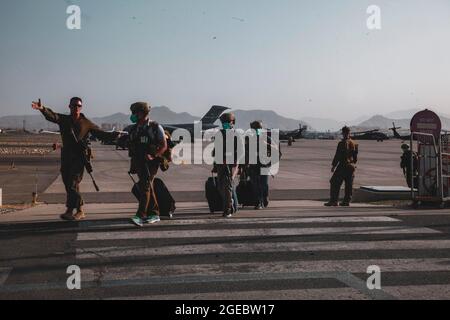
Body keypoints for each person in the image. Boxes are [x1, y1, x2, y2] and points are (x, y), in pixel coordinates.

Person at [31, 97, 120, 221]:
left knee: (73, 183)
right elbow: (53, 116)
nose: (76, 108)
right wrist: (42, 108)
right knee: (69, 184)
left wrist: (115, 135)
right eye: (74, 106)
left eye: (78, 106)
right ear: (69, 107)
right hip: (66, 156)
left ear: (81, 107)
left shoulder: (86, 123)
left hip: (79, 157)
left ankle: (79, 209)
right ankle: (71, 210)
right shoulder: (64, 120)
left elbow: (100, 134)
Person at [127, 102, 167, 227]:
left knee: (145, 186)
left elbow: (164, 145)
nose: (133, 115)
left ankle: (141, 215)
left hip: (151, 162)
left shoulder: (155, 127)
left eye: (135, 112)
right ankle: (154, 214)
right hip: (138, 161)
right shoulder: (135, 128)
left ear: (142, 113)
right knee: (147, 186)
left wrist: (154, 155)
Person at [213, 113, 239, 218]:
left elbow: (239, 152)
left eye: (226, 122)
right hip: (220, 164)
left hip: (231, 165)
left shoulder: (235, 135)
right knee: (220, 187)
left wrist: (234, 164)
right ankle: (232, 205)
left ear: (232, 122)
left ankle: (228, 209)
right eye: (223, 123)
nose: (224, 124)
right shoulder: (220, 134)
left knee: (228, 186)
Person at [325, 126, 358, 207]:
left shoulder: (342, 143)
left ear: (343, 133)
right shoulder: (354, 143)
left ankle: (334, 201)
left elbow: (338, 156)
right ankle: (346, 201)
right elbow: (355, 158)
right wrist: (352, 163)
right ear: (349, 133)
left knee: (334, 182)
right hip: (351, 167)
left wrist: (333, 166)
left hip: (343, 165)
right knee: (348, 184)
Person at [246, 121, 272, 210]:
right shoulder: (249, 140)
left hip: (264, 166)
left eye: (259, 128)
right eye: (255, 129)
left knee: (264, 184)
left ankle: (264, 197)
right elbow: (244, 153)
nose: (258, 130)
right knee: (256, 185)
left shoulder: (268, 139)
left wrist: (270, 163)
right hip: (253, 166)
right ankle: (258, 202)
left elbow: (277, 152)